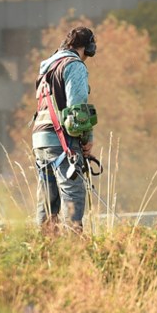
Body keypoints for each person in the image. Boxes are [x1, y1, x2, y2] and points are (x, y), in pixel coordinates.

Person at [31, 26, 97, 232]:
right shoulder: (74, 65)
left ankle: (43, 248)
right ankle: (74, 248)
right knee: (73, 194)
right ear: (88, 47)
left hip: (40, 141)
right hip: (60, 141)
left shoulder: (47, 69)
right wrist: (87, 139)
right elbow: (77, 111)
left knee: (48, 200)